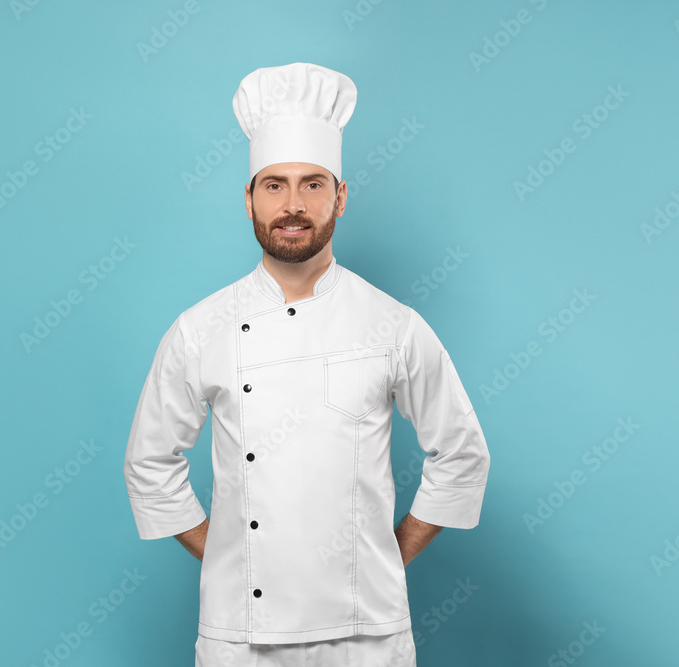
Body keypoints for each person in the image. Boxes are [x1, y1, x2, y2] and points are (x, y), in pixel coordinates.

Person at [124, 62, 491, 667]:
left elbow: (461, 455)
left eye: (313, 185)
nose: (292, 205)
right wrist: (228, 556)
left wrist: (382, 558)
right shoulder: (200, 329)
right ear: (248, 199)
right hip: (240, 634)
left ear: (340, 198)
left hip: (367, 636)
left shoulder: (393, 325)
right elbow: (149, 463)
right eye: (274, 185)